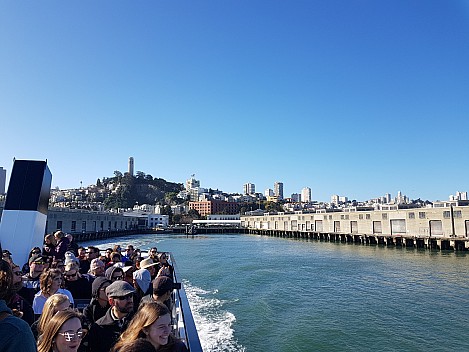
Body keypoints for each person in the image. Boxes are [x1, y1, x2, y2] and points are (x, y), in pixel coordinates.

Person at [112, 302, 187, 352]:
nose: (168, 331)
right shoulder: (130, 349)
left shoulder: (178, 348)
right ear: (145, 330)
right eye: (161, 327)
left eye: (169, 325)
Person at [87, 280, 136, 352]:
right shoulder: (99, 327)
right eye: (123, 297)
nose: (130, 300)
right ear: (111, 302)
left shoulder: (139, 322)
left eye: (130, 296)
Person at [0, 259, 37, 351]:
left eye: (20, 273)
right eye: (16, 273)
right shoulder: (18, 331)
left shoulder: (17, 332)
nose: (19, 276)